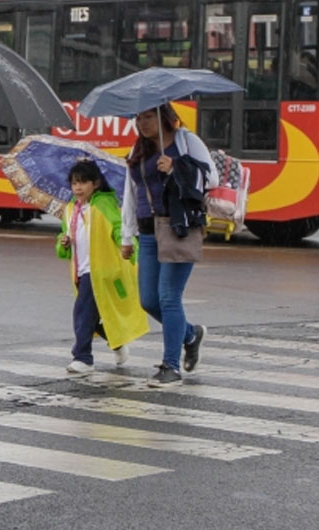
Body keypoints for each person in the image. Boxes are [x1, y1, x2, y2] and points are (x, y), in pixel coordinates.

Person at [120, 104, 218, 387]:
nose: (142, 122)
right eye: (138, 118)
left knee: (168, 297)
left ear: (164, 117)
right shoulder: (138, 149)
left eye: (149, 116)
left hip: (178, 226)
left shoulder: (186, 140)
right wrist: (127, 235)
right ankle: (190, 335)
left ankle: (170, 367)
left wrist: (176, 167)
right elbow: (131, 192)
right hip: (147, 231)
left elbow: (212, 177)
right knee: (148, 300)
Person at [57, 160, 148, 374]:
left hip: (101, 270)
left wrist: (126, 244)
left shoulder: (104, 205)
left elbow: (118, 228)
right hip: (80, 271)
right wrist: (63, 242)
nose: (77, 188)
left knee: (82, 312)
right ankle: (117, 343)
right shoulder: (70, 209)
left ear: (96, 183)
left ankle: (83, 357)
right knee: (96, 315)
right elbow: (64, 238)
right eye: (74, 183)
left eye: (83, 182)